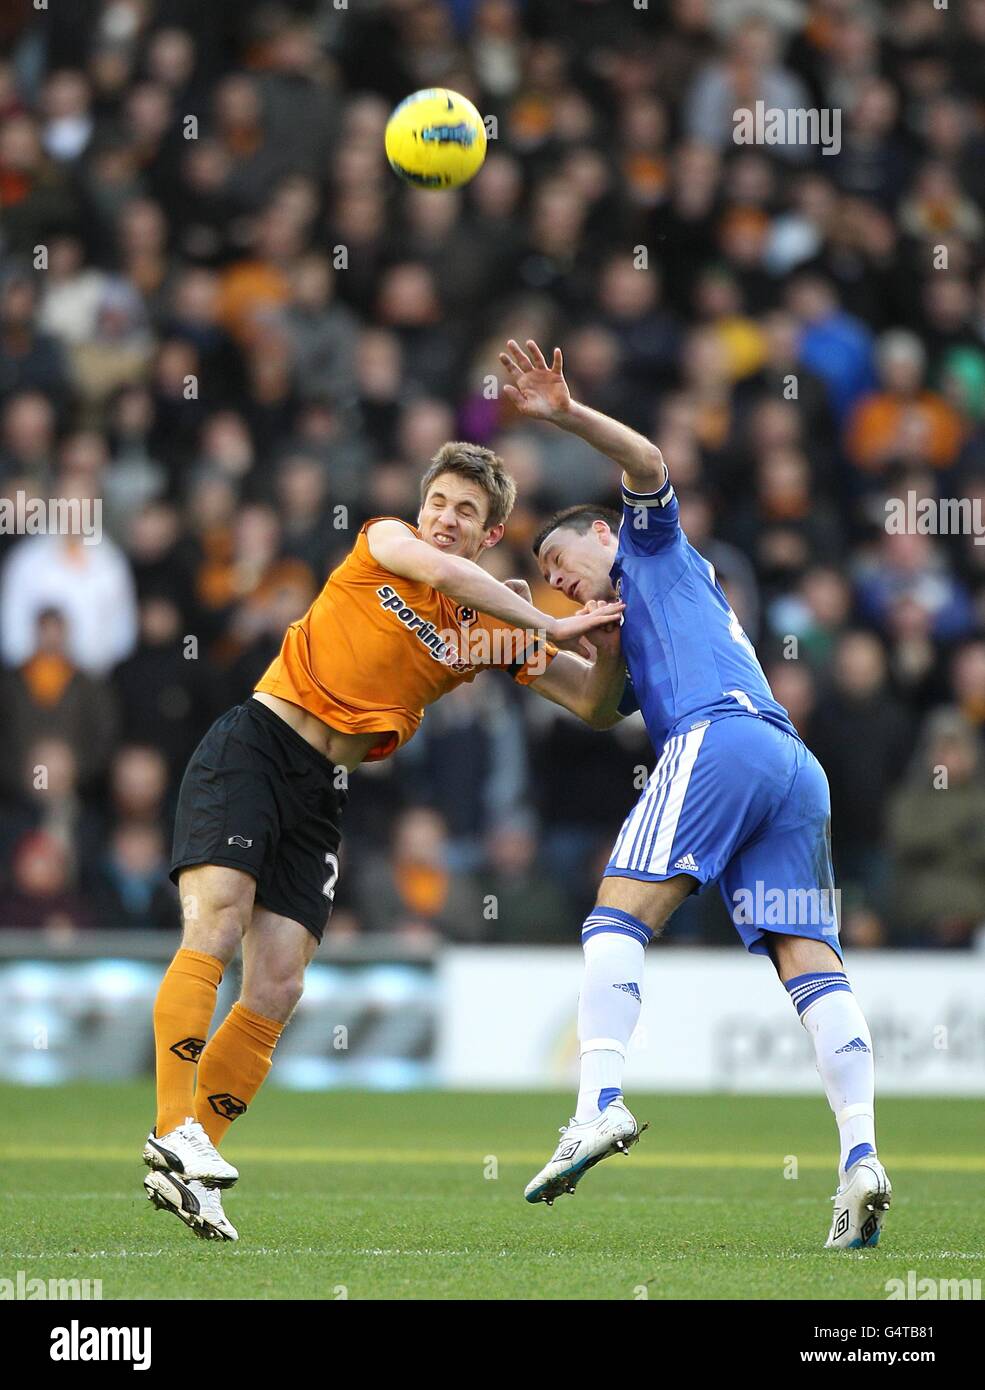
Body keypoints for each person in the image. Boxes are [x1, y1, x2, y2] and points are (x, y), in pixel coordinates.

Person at [143, 440, 625, 1241]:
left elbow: (598, 708)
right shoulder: (384, 543)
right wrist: (549, 617)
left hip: (323, 792)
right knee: (218, 923)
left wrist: (603, 649)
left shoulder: (482, 623)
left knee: (278, 985)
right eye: (438, 501)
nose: (444, 519)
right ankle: (170, 1128)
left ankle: (193, 1171)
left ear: (486, 534)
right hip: (256, 748)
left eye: (466, 513)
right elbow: (437, 574)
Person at [501, 338, 890, 1251]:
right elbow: (597, 708)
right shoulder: (637, 625)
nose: (560, 588)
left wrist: (564, 414)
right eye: (551, 589)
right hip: (789, 769)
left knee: (614, 917)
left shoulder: (646, 545)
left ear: (602, 536)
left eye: (563, 569)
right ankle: (860, 1158)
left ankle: (597, 1103)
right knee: (809, 962)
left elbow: (647, 463)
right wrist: (519, 650)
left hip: (719, 740)